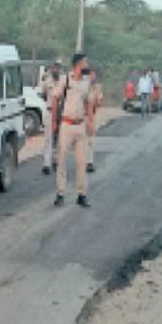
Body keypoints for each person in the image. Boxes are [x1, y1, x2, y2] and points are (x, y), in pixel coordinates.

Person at [52, 52, 94, 208]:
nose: (87, 65)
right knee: (61, 159)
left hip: (80, 125)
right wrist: (54, 122)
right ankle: (60, 193)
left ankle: (81, 194)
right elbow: (55, 98)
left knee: (81, 162)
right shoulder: (66, 80)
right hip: (66, 124)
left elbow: (89, 102)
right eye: (85, 63)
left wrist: (90, 122)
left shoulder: (86, 82)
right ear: (77, 64)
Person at [39, 61, 62, 175]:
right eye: (54, 67)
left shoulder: (64, 81)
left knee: (59, 138)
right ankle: (46, 164)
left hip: (61, 113)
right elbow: (43, 95)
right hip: (49, 111)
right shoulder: (47, 80)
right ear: (51, 68)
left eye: (58, 67)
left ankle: (56, 160)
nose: (56, 69)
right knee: (48, 137)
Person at [83, 68, 102, 173]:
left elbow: (99, 103)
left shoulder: (97, 88)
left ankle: (89, 162)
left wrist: (96, 101)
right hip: (81, 116)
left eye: (94, 75)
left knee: (90, 140)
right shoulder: (81, 87)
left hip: (91, 115)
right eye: (91, 75)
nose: (93, 77)